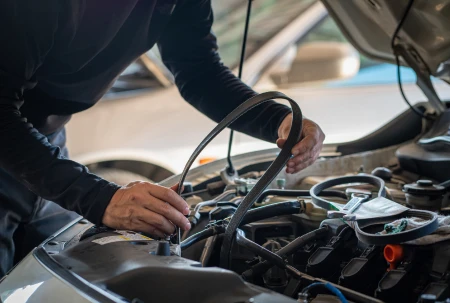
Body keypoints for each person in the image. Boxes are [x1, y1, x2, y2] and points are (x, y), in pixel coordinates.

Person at [0, 0, 325, 276]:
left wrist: (279, 121)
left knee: (52, 276)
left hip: (42, 144)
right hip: (13, 142)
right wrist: (101, 200)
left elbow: (198, 70)